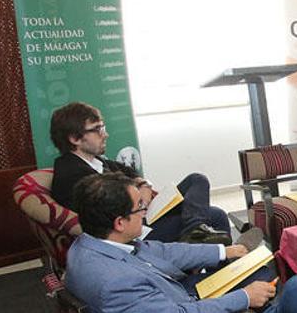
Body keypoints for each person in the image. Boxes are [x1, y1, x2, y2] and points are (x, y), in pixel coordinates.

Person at [64, 172, 276, 313]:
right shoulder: (116, 282)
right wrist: (244, 297)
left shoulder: (87, 245)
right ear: (119, 222)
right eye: (140, 207)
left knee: (250, 272)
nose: (145, 212)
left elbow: (161, 251)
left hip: (166, 298)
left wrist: (224, 251)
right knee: (263, 280)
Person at [50, 102, 232, 245]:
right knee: (216, 216)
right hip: (134, 233)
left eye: (102, 128)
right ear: (74, 139)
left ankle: (195, 229)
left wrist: (143, 185)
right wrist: (142, 199)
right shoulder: (70, 173)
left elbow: (131, 173)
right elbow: (116, 206)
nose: (105, 135)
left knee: (197, 180)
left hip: (141, 215)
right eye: (97, 130)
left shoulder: (97, 161)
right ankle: (204, 245)